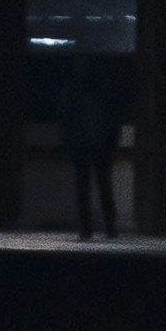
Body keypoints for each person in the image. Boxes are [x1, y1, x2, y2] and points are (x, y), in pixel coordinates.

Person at [55, 59, 124, 240]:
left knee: (84, 188)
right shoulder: (103, 92)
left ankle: (87, 229)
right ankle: (109, 227)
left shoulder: (72, 92)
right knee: (104, 187)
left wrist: (68, 143)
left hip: (82, 146)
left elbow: (65, 121)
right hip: (100, 145)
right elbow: (113, 119)